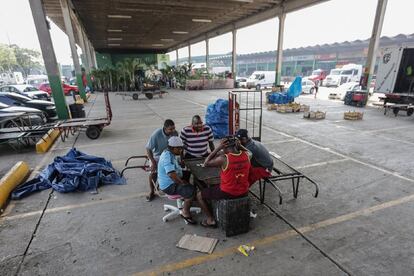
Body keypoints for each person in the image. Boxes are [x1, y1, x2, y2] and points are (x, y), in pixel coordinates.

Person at [158, 136, 215, 225]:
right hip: (169, 185)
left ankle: (190, 197)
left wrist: (180, 165)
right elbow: (171, 174)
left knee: (190, 173)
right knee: (192, 190)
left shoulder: (169, 153)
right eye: (179, 149)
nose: (181, 151)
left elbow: (175, 169)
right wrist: (181, 182)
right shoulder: (167, 157)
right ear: (173, 148)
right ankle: (185, 211)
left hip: (172, 180)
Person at [200, 136, 251, 225]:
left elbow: (206, 163)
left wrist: (218, 148)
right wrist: (240, 146)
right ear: (236, 145)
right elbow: (250, 152)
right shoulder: (247, 155)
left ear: (224, 147)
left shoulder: (224, 158)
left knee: (199, 195)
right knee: (216, 187)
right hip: (244, 191)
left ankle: (210, 220)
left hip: (228, 193)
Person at [145, 119, 178, 201]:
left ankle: (173, 186)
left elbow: (177, 146)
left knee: (175, 170)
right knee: (153, 173)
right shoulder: (156, 134)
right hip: (158, 155)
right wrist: (153, 162)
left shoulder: (175, 133)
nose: (173, 131)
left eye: (174, 128)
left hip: (170, 154)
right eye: (170, 129)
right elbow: (148, 149)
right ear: (165, 128)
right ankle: (152, 191)